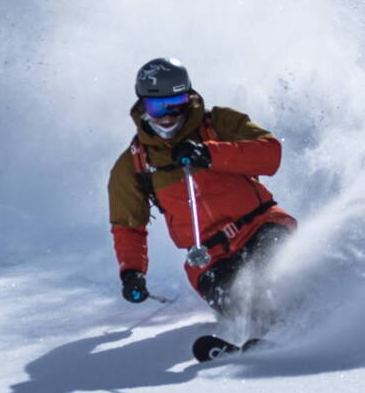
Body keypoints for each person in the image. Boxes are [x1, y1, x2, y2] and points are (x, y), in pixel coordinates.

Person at [108, 58, 296, 319]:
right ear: (142, 106)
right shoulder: (134, 164)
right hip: (208, 257)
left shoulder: (218, 124)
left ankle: (305, 321)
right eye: (157, 107)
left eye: (176, 105)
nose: (167, 117)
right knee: (235, 301)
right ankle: (258, 336)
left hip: (260, 226)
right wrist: (132, 273)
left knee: (274, 274)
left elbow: (270, 153)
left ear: (188, 99)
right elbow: (127, 225)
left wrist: (209, 154)